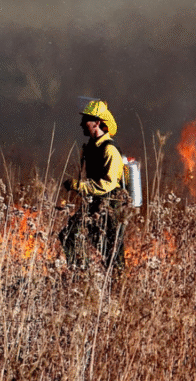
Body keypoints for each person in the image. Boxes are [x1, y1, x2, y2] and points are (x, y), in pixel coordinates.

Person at [59, 99, 128, 271]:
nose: (82, 124)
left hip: (110, 204)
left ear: (97, 122)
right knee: (69, 235)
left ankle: (117, 282)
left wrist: (79, 186)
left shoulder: (109, 149)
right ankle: (82, 275)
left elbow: (108, 184)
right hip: (96, 203)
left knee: (112, 253)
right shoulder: (92, 147)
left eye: (86, 120)